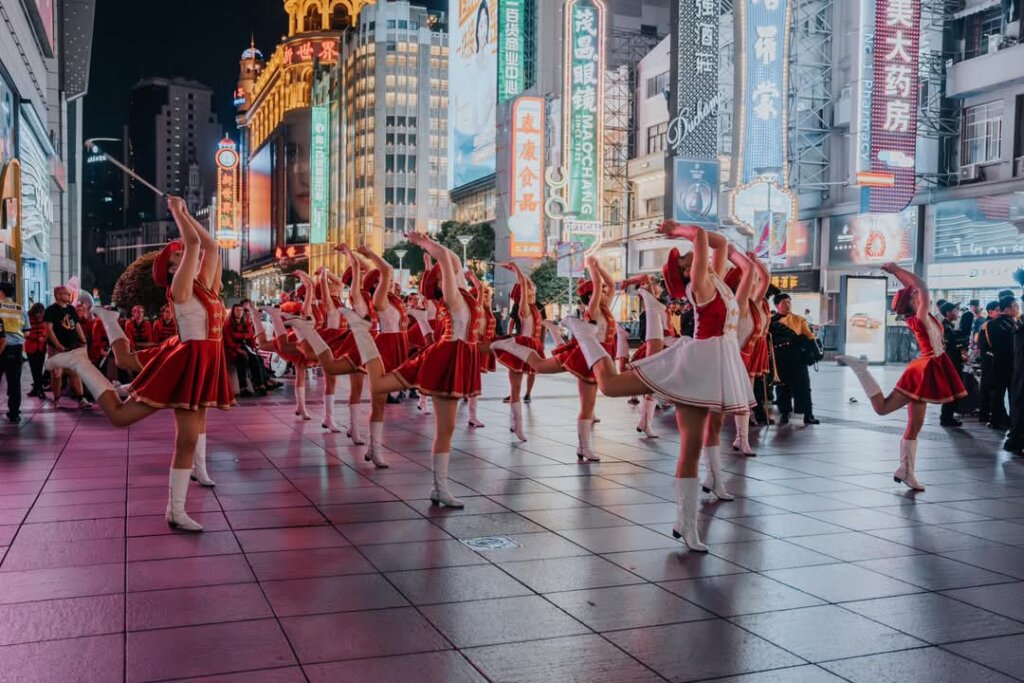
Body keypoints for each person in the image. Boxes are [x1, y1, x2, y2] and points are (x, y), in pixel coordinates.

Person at [547, 222, 756, 552]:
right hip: (696, 363)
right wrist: (682, 230)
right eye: (683, 260)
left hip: (713, 365)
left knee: (691, 446)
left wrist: (693, 235)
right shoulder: (700, 285)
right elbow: (703, 237)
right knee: (611, 385)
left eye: (686, 255)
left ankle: (685, 523)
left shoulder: (714, 278)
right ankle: (584, 337)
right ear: (688, 272)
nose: (688, 255)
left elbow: (720, 242)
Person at [44, 196, 234, 531]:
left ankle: (184, 494)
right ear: (173, 268)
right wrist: (178, 213)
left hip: (203, 359)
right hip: (188, 360)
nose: (184, 252)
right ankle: (82, 365)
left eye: (180, 251)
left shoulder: (209, 289)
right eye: (176, 255)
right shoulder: (180, 289)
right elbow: (193, 242)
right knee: (126, 417)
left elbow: (211, 246)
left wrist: (188, 214)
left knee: (192, 428)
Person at [840, 263, 967, 491]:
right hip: (924, 369)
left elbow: (917, 288)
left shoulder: (922, 315)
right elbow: (922, 285)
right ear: (912, 302)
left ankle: (906, 471)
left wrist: (897, 273)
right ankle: (861, 369)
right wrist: (896, 270)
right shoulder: (919, 318)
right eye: (914, 296)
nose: (918, 295)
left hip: (927, 367)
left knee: (915, 424)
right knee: (883, 408)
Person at [770, 293, 819, 425]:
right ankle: (785, 414)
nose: (788, 304)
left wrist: (815, 352)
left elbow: (809, 336)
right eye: (785, 302)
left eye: (789, 302)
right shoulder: (771, 321)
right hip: (781, 357)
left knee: (803, 387)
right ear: (777, 305)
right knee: (782, 388)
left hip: (798, 357)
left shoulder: (799, 319)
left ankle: (805, 415)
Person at [44, 285, 89, 409]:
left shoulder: (71, 309)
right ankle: (57, 399)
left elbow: (77, 326)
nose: (69, 296)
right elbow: (49, 329)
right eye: (66, 294)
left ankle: (81, 398)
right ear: (58, 295)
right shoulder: (50, 310)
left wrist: (84, 341)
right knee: (57, 373)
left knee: (75, 372)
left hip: (72, 346)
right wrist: (58, 346)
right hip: (56, 348)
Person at [981, 295, 1019, 430]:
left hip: (996, 364)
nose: (1018, 308)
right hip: (1012, 365)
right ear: (1007, 309)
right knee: (1013, 395)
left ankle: (996, 421)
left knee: (997, 394)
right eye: (1015, 306)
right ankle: (1013, 422)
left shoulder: (989, 325)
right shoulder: (1015, 325)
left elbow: (985, 346)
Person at [0, 282, 24, 423]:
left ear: (1, 292)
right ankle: (14, 413)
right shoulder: (20, 308)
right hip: (16, 349)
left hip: (1, 347)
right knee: (14, 382)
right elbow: (26, 329)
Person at [939, 302, 965, 427]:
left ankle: (948, 416)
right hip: (951, 364)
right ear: (948, 313)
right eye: (955, 311)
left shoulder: (948, 326)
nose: (957, 313)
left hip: (952, 362)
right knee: (951, 390)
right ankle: (946, 417)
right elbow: (950, 347)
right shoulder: (944, 327)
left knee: (953, 390)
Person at [976, 300, 1000, 423]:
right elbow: (983, 345)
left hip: (991, 361)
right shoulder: (987, 325)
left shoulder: (995, 324)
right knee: (987, 388)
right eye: (997, 310)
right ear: (990, 312)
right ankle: (984, 414)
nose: (1000, 313)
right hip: (988, 361)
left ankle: (987, 414)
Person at [24, 302, 48, 399]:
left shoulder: (45, 318)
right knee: (34, 370)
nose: (40, 315)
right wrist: (37, 337)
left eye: (41, 313)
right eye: (38, 312)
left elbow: (47, 331)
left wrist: (44, 338)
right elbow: (25, 333)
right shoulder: (28, 318)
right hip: (31, 347)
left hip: (41, 347)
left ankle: (37, 389)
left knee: (39, 368)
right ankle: (39, 390)